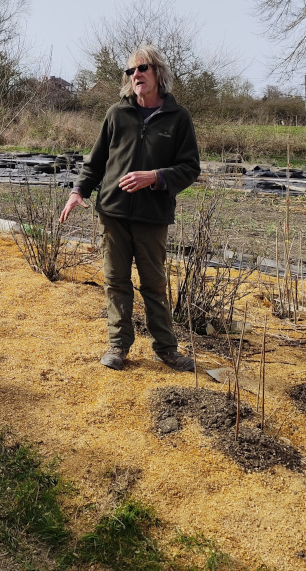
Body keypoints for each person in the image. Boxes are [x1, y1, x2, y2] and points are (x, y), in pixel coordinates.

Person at [60, 43, 200, 373]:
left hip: (153, 216)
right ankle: (118, 346)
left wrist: (156, 177)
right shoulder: (116, 115)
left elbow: (190, 168)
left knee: (154, 284)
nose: (135, 74)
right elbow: (95, 163)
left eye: (142, 68)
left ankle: (166, 350)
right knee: (116, 282)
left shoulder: (178, 118)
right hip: (113, 212)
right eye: (131, 71)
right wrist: (78, 190)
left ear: (158, 73)